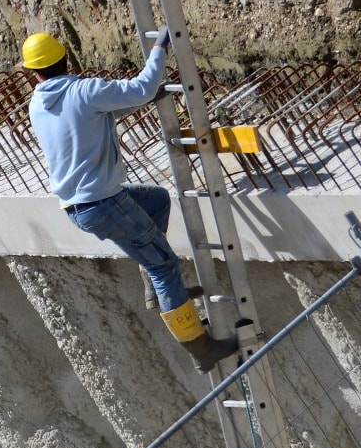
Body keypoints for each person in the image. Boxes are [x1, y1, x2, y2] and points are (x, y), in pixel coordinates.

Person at [21, 29, 237, 373]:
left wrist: (146, 99)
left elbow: (93, 118)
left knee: (156, 200)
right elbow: (140, 88)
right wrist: (159, 47)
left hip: (80, 207)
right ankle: (201, 349)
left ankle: (156, 292)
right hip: (105, 203)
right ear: (66, 59)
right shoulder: (85, 90)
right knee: (164, 265)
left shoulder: (38, 104)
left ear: (33, 72)